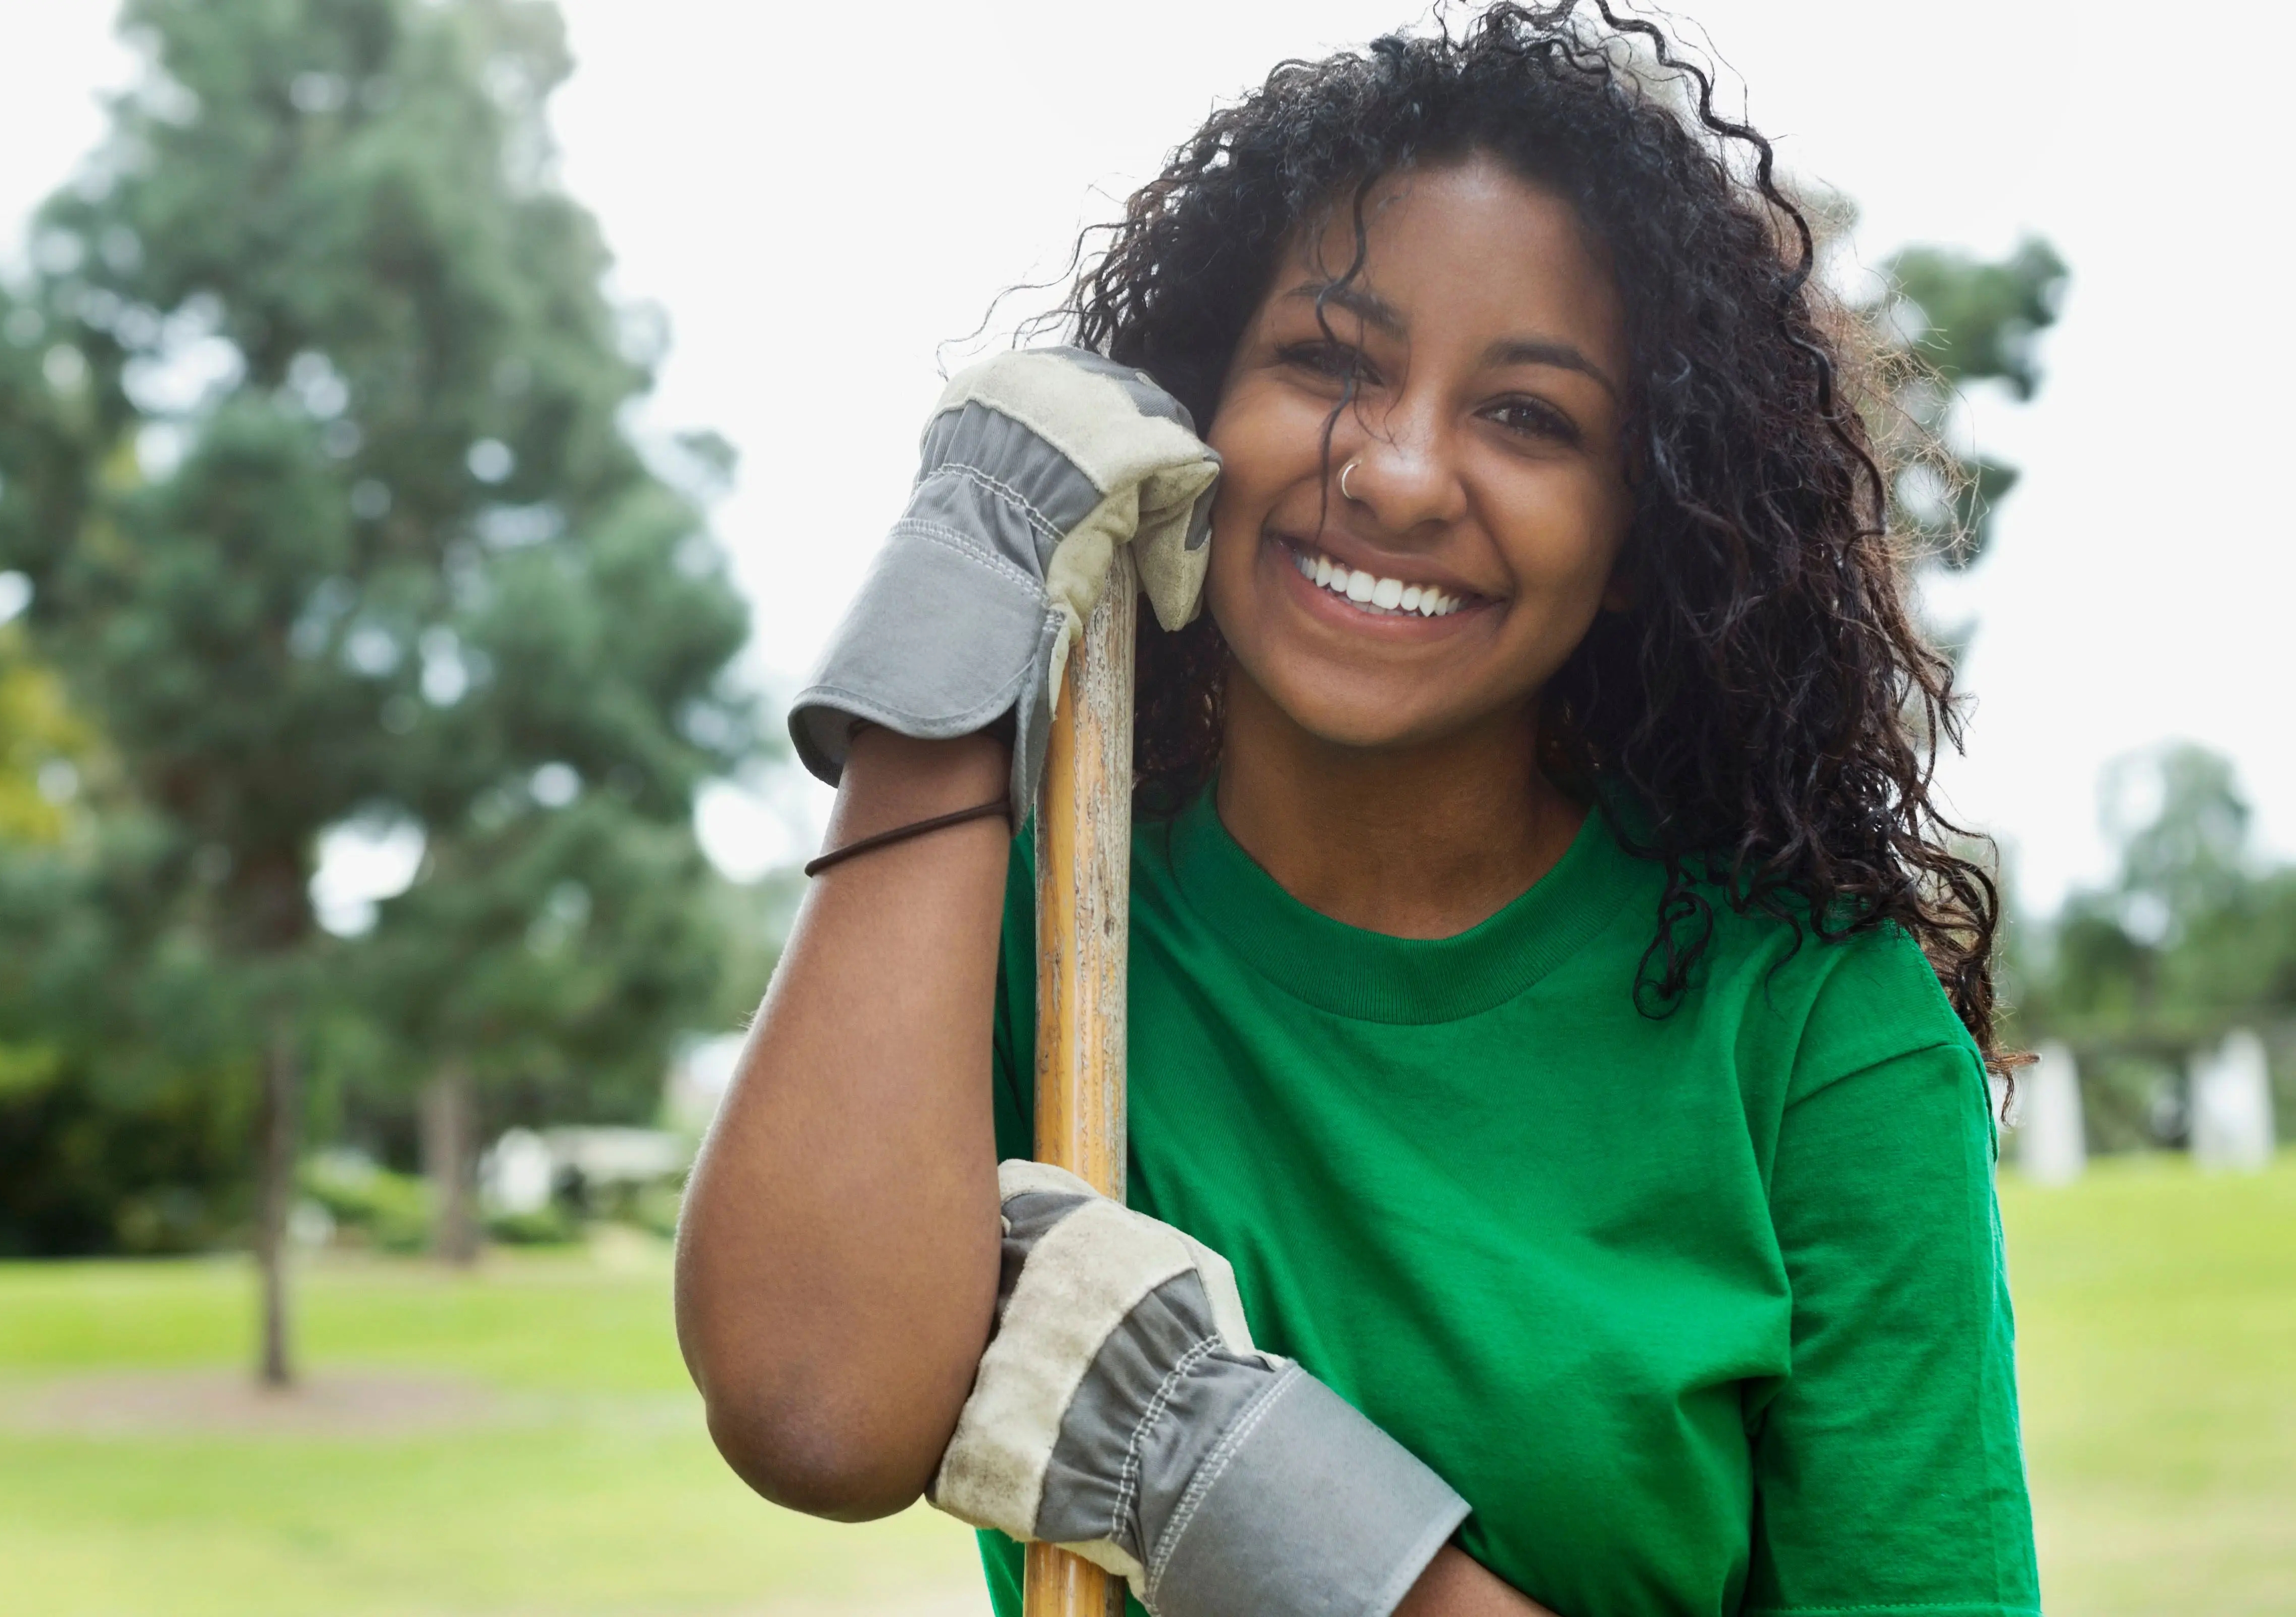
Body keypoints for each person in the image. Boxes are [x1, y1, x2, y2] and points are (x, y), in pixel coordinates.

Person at [674, 4, 2040, 1614]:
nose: (1397, 474)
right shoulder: (1049, 940)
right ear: (1197, 418)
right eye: (1330, 360)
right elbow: (813, 1411)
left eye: (1529, 415)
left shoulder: (1811, 1019)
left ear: (1643, 529)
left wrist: (1234, 1494)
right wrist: (962, 609)